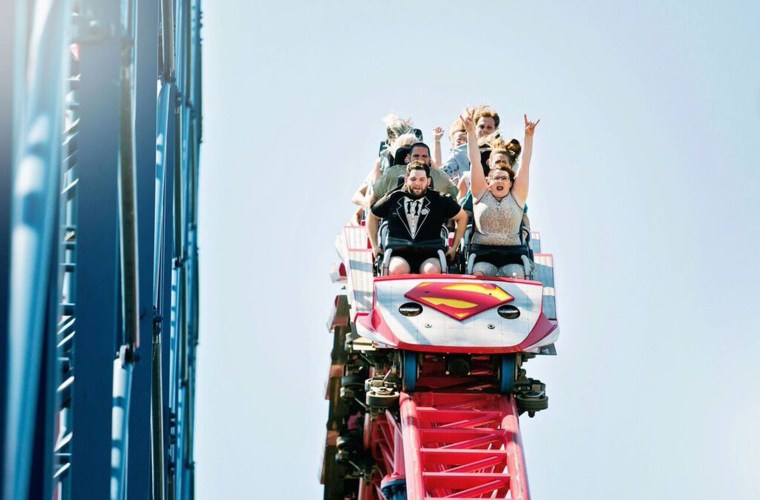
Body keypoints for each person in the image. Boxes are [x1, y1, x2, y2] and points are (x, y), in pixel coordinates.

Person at [462, 109, 540, 278]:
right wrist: (470, 132)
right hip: (483, 254)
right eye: (496, 178)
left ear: (511, 182)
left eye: (504, 178)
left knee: (516, 275)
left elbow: (525, 164)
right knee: (479, 274)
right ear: (488, 181)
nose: (500, 181)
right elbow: (475, 161)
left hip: (512, 256)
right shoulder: (480, 194)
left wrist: (528, 137)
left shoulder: (517, 197)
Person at [367, 161, 468, 275]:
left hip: (430, 253)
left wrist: (454, 247)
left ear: (428, 181)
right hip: (399, 252)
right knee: (398, 270)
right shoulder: (393, 197)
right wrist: (374, 246)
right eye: (413, 179)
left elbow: (462, 217)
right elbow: (372, 215)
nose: (417, 183)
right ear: (406, 180)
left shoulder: (439, 199)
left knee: (431, 271)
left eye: (422, 180)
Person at [367, 142, 458, 203]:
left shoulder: (440, 177)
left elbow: (456, 196)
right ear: (407, 158)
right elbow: (374, 197)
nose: (420, 159)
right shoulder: (392, 173)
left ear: (430, 159)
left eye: (424, 156)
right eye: (416, 156)